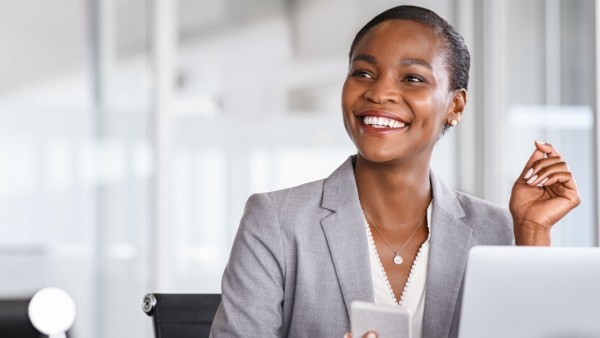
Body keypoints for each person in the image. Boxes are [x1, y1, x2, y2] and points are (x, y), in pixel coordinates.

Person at [209, 5, 580, 338]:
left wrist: (532, 232)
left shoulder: (497, 231)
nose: (379, 92)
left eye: (412, 78)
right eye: (363, 73)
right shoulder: (276, 222)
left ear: (456, 105)